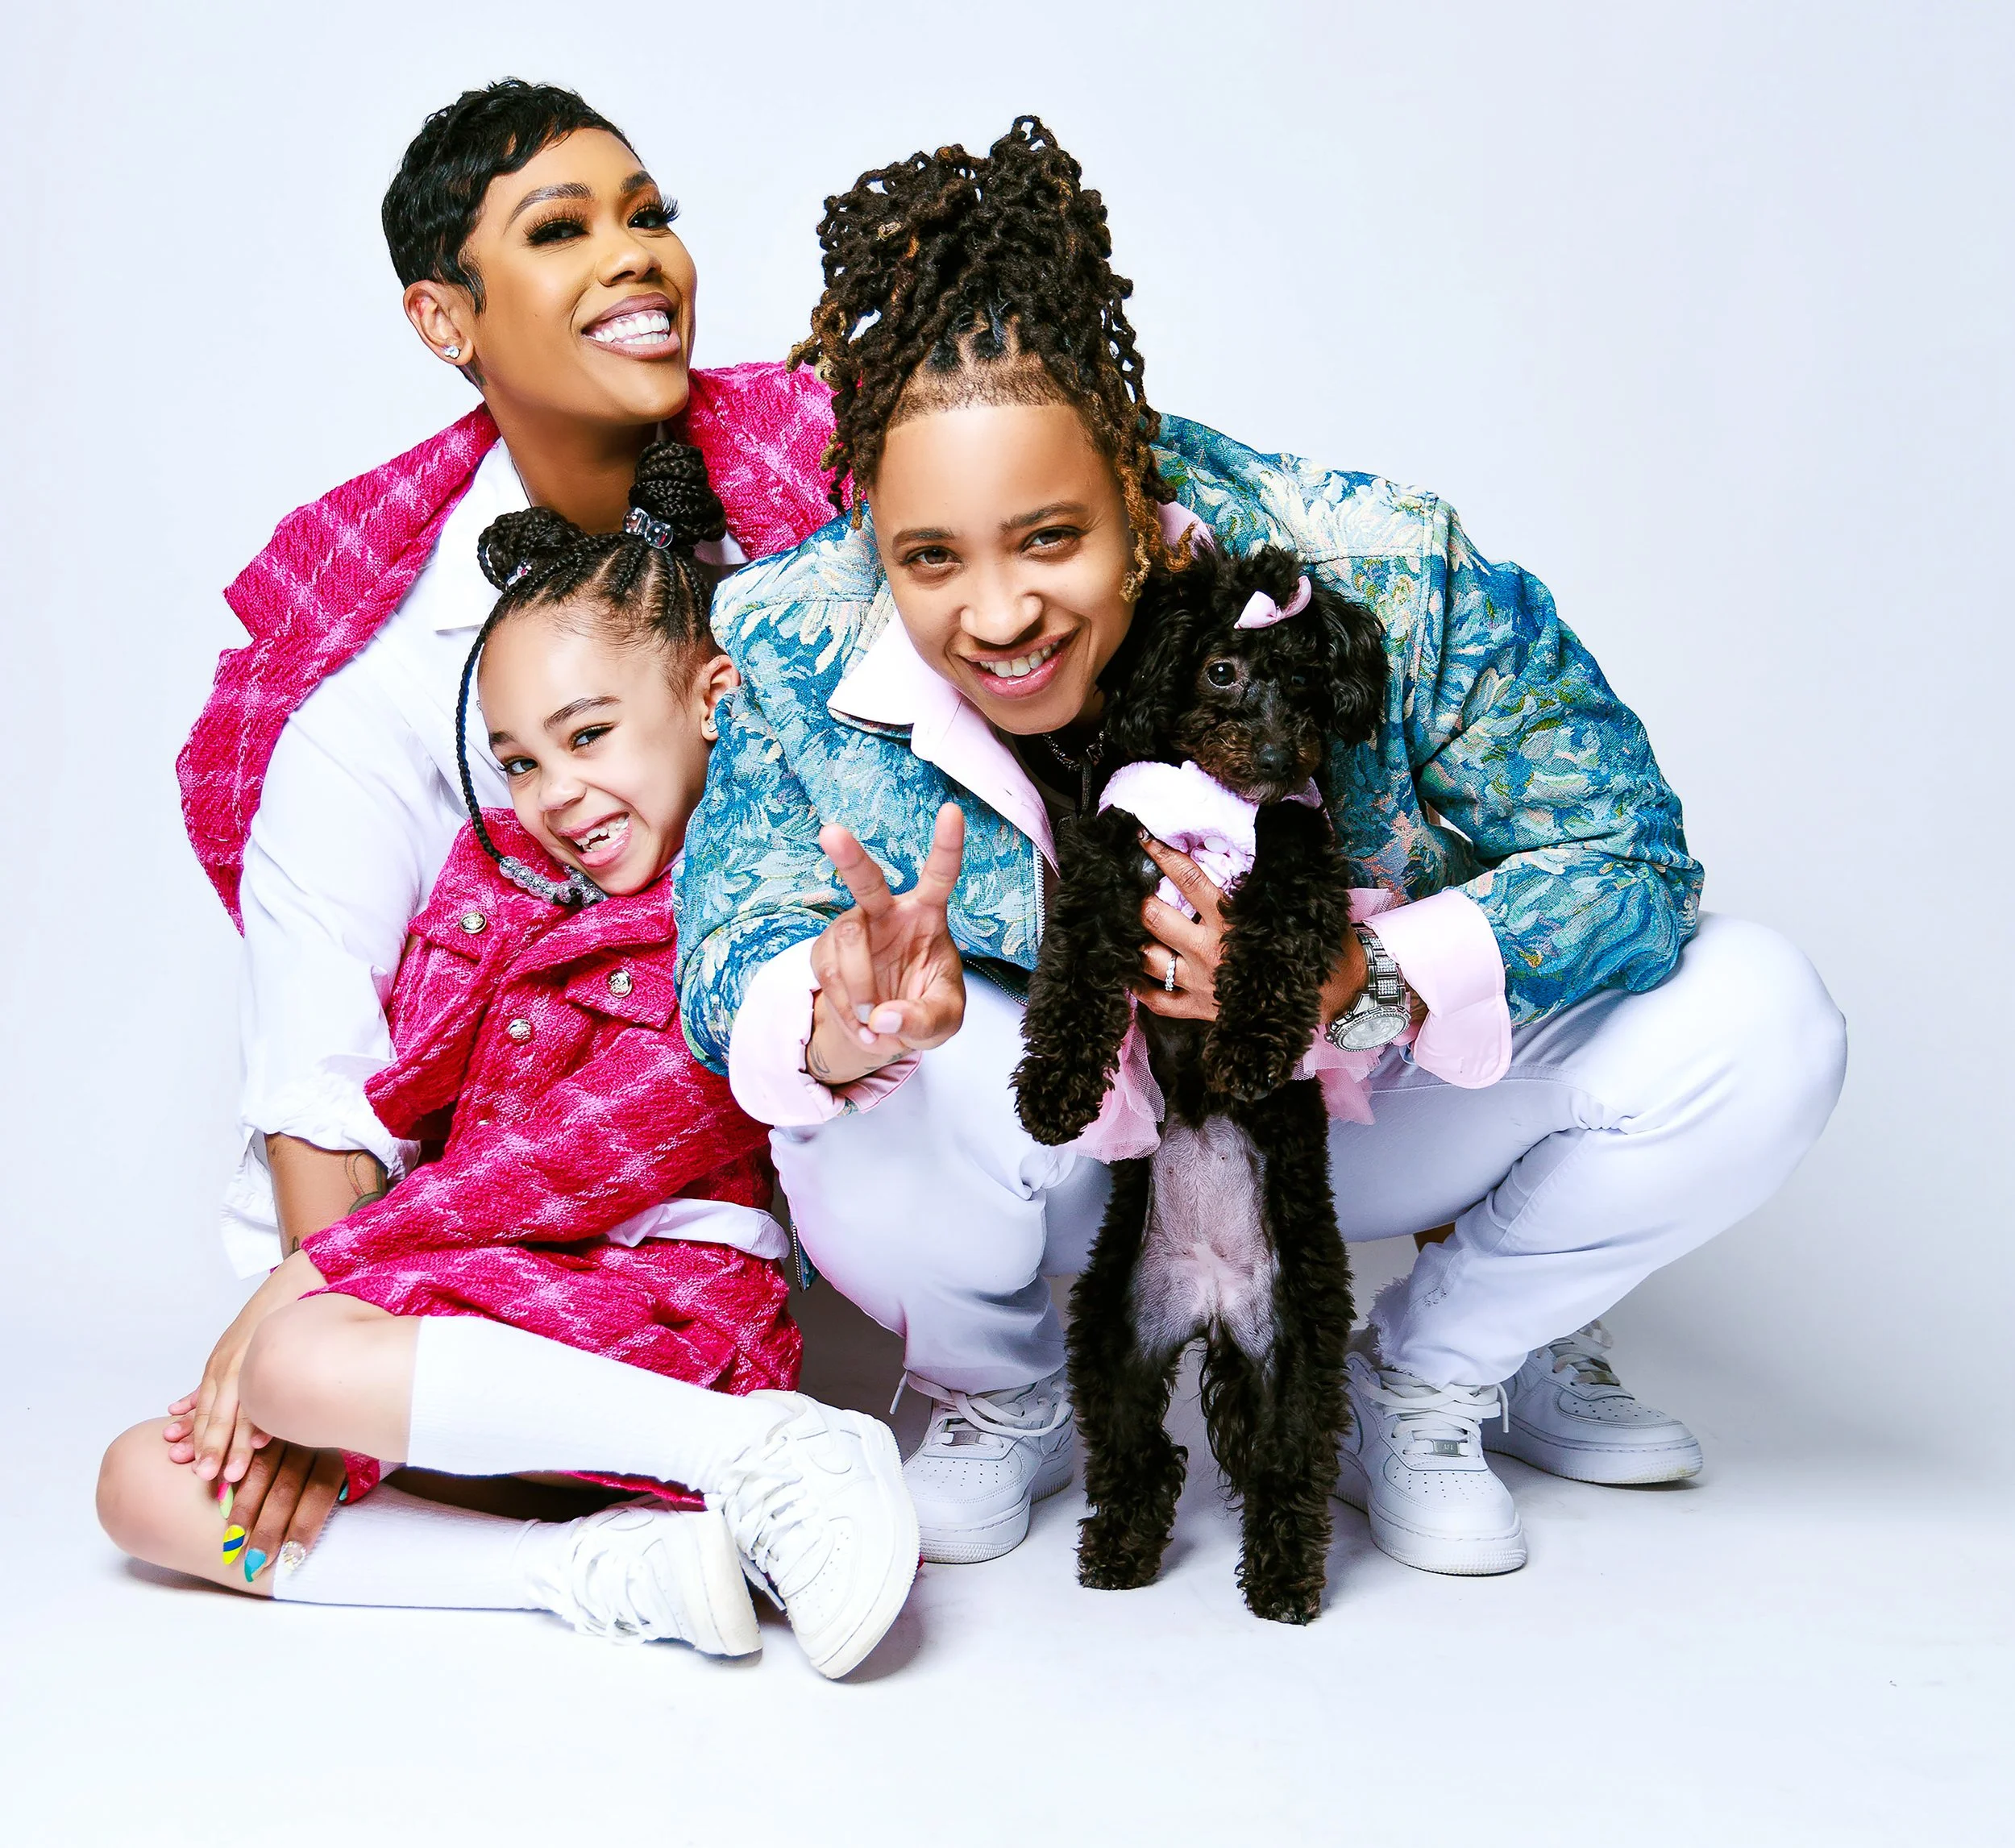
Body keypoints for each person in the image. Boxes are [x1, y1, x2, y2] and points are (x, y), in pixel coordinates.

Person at [676, 118, 1848, 1576]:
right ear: (873, 524)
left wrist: (1360, 973)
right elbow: (723, 957)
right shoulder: (787, 640)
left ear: (1136, 493)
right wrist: (837, 1003)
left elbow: (1632, 861)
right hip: (1071, 1158)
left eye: (1050, 539)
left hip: (1348, 1123)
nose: (994, 615)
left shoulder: (1378, 565)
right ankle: (1010, 1395)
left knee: (1764, 1020)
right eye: (933, 558)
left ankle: (1425, 1375)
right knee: (849, 1123)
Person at [101, 447, 919, 1679]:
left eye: (589, 735)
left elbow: (553, 1167)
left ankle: (760, 1455)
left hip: (661, 1324)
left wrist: (315, 1277)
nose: (556, 794)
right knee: (142, 1492)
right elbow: (408, 1097)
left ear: (710, 697)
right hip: (475, 1328)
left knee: (294, 1355)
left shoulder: (750, 913)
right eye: (521, 760)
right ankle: (597, 1573)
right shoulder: (508, 883)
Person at [172, 80, 835, 1559]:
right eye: (563, 229)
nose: (637, 257)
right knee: (167, 1496)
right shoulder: (384, 687)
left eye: (649, 214)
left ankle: (850, 1413)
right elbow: (324, 1064)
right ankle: (607, 1570)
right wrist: (331, 1325)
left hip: (790, 1156)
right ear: (443, 320)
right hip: (503, 1247)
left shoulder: (816, 492)